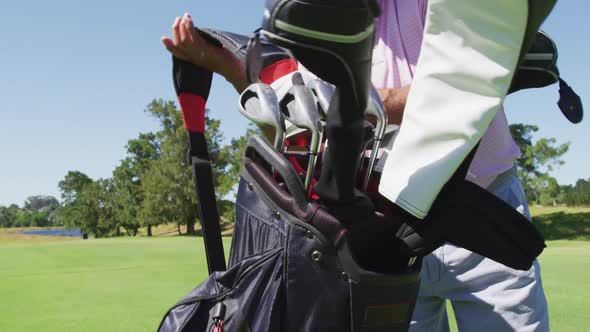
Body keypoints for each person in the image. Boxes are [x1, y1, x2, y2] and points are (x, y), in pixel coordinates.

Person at [371, 0, 550, 331]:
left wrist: (374, 104)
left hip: (485, 205)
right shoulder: (327, 14)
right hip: (387, 225)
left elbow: (469, 75)